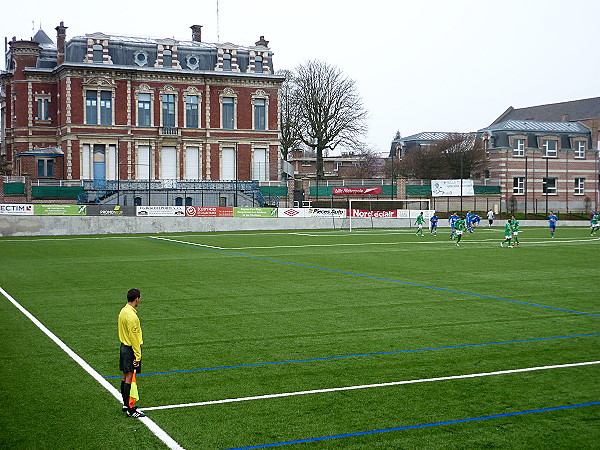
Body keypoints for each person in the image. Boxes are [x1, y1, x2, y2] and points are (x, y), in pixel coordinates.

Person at [118, 288, 146, 418]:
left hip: (123, 347)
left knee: (125, 376)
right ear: (137, 299)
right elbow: (134, 337)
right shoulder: (132, 316)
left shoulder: (123, 311)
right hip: (130, 349)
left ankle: (125, 404)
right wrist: (138, 355)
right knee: (130, 377)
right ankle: (130, 409)